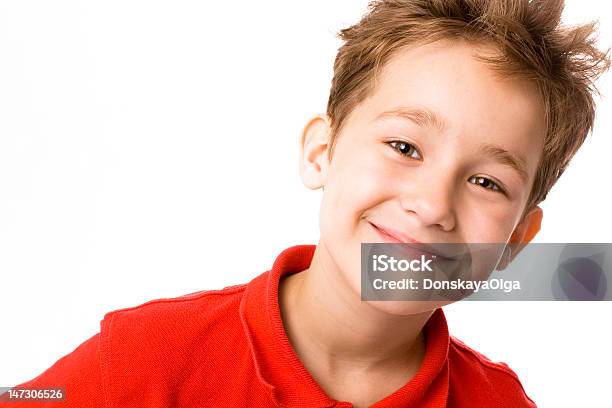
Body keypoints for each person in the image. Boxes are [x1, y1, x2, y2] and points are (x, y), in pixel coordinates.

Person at [1, 0, 610, 407]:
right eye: (404, 145)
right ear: (321, 153)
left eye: (486, 183)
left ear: (516, 243)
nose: (431, 206)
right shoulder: (143, 358)